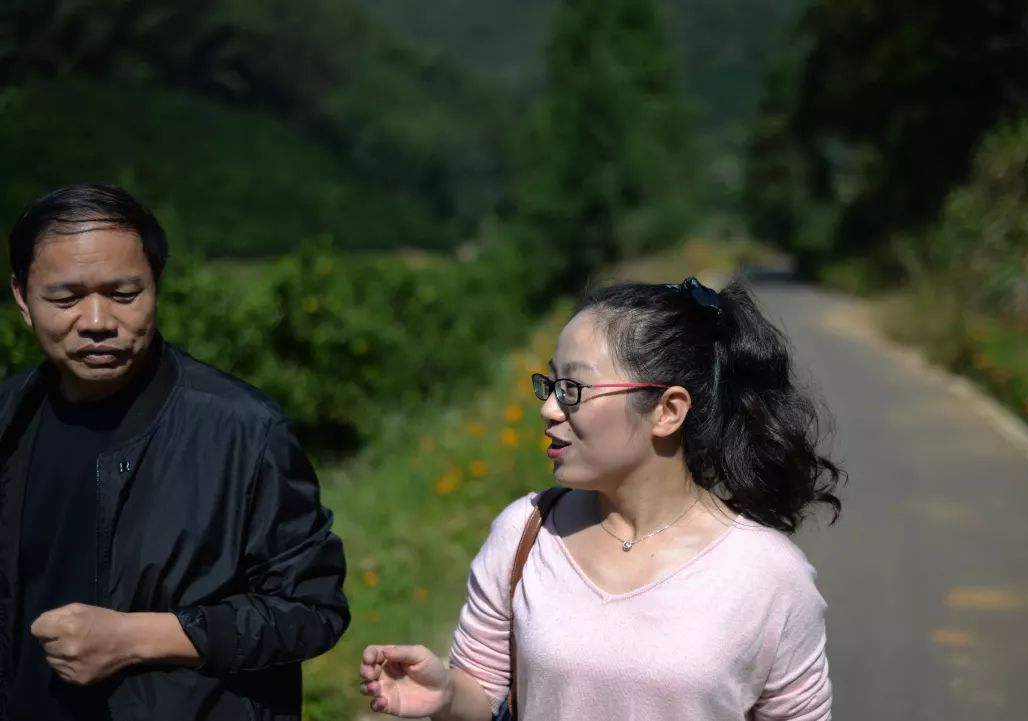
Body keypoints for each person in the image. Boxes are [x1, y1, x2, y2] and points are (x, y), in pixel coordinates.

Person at [359, 277, 843, 720]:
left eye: (573, 388)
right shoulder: (526, 530)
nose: (550, 409)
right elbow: (482, 693)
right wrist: (446, 695)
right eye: (551, 384)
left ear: (668, 410)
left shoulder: (768, 575)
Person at [0, 184, 350, 721]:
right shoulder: (10, 419)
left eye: (124, 294)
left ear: (157, 285)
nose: (97, 321)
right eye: (65, 299)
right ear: (23, 298)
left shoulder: (241, 430)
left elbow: (311, 610)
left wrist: (134, 638)